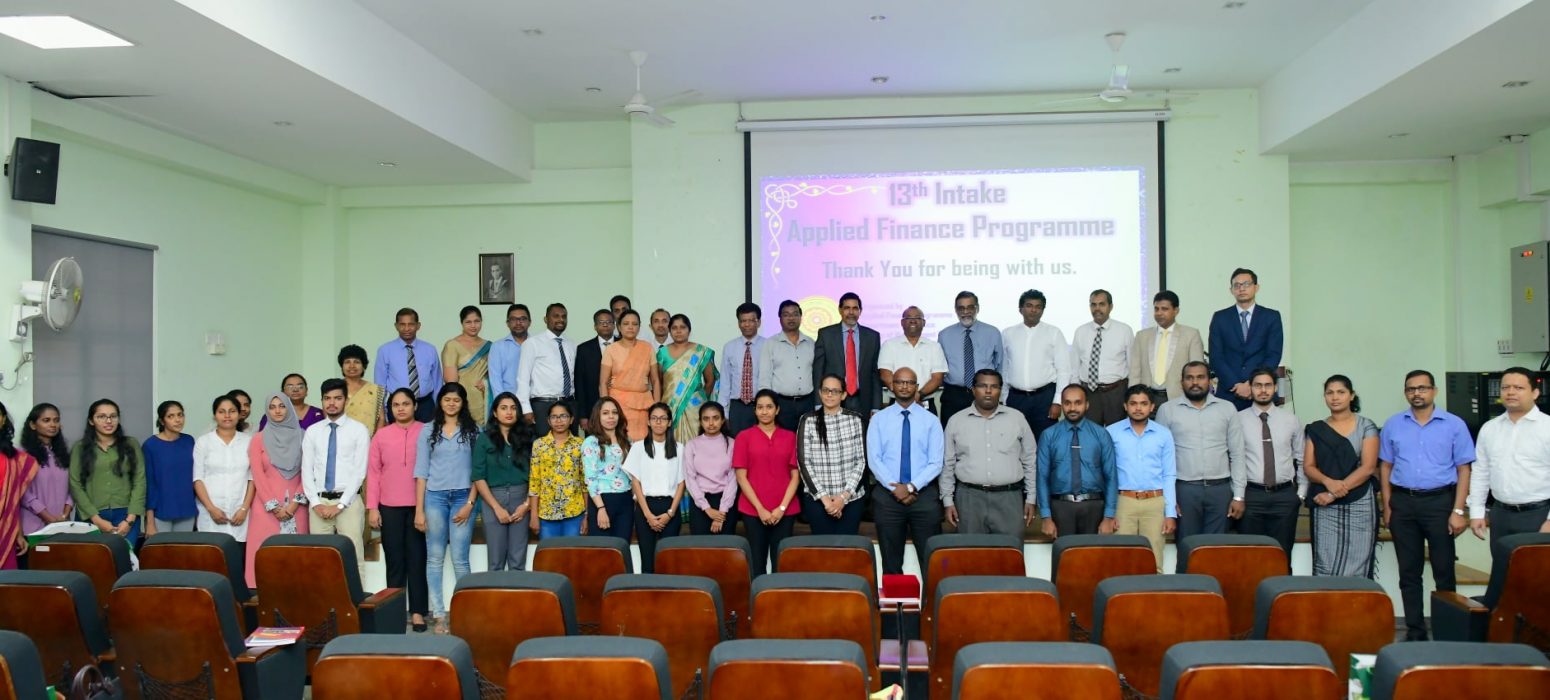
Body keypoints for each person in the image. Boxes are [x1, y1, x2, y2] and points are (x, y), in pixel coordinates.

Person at [1380, 369, 1475, 641]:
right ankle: (1415, 631)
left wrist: (1458, 510)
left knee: (1444, 571)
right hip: (1403, 503)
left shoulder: (1454, 424)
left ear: (1434, 391)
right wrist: (1388, 505)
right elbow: (1385, 467)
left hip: (1440, 503)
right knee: (1409, 573)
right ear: (1405, 393)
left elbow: (1464, 469)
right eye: (1411, 389)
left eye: (1422, 388)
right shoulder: (1393, 424)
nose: (1417, 393)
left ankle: (1448, 633)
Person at [414, 382, 478, 632]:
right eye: (447, 399)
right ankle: (439, 615)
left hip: (463, 498)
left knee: (460, 559)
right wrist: (419, 511)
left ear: (463, 403)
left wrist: (470, 503)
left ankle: (466, 614)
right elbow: (421, 473)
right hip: (435, 498)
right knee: (435, 558)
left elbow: (478, 472)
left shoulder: (473, 431)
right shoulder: (427, 430)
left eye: (456, 400)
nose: (451, 404)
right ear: (440, 401)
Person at [942, 369, 1037, 536]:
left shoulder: (1017, 418)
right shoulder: (956, 421)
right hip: (969, 499)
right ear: (973, 390)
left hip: (1009, 499)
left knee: (1010, 551)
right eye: (982, 386)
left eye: (994, 386)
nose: (988, 391)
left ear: (1000, 390)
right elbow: (947, 464)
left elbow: (1030, 460)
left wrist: (1031, 498)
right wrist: (947, 501)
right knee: (971, 551)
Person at [1155, 361, 1243, 541]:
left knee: (1217, 548)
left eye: (1200, 377)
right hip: (1184, 490)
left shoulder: (1227, 409)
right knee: (1187, 545)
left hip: (1220, 490)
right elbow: (1159, 458)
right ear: (1182, 382)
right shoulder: (1167, 410)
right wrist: (1168, 501)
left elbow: (1237, 454)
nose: (1195, 382)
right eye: (1189, 378)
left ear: (1210, 381)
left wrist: (1239, 496)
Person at [867, 368, 944, 574]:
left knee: (932, 563)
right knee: (891, 563)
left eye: (909, 382)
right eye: (900, 382)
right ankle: (894, 597)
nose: (904, 386)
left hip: (923, 496)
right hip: (888, 496)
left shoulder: (931, 420)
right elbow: (874, 460)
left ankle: (931, 598)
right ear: (892, 386)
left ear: (916, 387)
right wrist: (895, 488)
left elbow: (936, 463)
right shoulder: (878, 420)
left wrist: (910, 487)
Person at [1303, 375, 1379, 578]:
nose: (1335, 397)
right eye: (1330, 393)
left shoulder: (1366, 426)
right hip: (1324, 503)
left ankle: (1356, 598)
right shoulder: (1316, 429)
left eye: (1341, 392)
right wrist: (1328, 482)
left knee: (1358, 560)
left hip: (1360, 502)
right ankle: (1327, 598)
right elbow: (1308, 466)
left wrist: (1334, 493)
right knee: (1325, 563)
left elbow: (1368, 467)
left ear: (1351, 396)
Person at [367, 388, 429, 632]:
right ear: (390, 409)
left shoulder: (426, 431)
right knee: (394, 561)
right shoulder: (381, 436)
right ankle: (393, 612)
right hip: (389, 507)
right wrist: (373, 508)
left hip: (419, 506)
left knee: (417, 560)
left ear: (415, 406)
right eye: (396, 405)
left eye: (406, 404)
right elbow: (373, 474)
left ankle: (418, 612)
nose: (401, 408)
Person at [1468, 366, 1550, 545]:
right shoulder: (1490, 428)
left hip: (1539, 515)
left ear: (1535, 393)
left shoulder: (1547, 427)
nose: (1511, 392)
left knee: (1536, 564)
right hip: (1500, 514)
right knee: (1501, 562)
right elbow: (1481, 473)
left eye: (1519, 388)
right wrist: (1476, 512)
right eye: (1505, 387)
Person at [1230, 367, 1305, 564]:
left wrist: (1301, 494)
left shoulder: (1291, 420)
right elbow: (1233, 458)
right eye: (1258, 385)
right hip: (1251, 495)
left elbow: (1301, 457)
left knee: (1282, 556)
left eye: (1268, 385)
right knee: (1251, 558)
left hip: (1284, 497)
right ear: (1250, 388)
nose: (1263, 390)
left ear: (1275, 388)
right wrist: (1238, 495)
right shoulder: (1238, 420)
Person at [1107, 386, 1177, 571]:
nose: (1138, 408)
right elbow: (1107, 475)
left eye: (1144, 404)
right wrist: (1109, 511)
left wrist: (1170, 513)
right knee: (1121, 563)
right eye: (1133, 403)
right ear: (1125, 406)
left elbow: (1169, 474)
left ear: (1152, 407)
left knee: (1154, 563)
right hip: (1123, 502)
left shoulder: (1164, 434)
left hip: (1155, 502)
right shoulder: (1112, 433)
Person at [1036, 385, 1118, 539]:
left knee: (1092, 553)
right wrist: (1046, 516)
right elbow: (1042, 477)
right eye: (1067, 403)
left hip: (1094, 506)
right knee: (1064, 553)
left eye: (1078, 402)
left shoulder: (1101, 434)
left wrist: (1109, 516)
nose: (1072, 408)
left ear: (1087, 405)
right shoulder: (1049, 435)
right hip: (1061, 507)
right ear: (1062, 405)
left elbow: (1111, 476)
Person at [303, 379, 371, 561]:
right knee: (319, 559)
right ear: (322, 401)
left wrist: (340, 505)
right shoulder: (312, 431)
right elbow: (306, 470)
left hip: (349, 502)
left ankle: (356, 585)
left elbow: (359, 472)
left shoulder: (359, 430)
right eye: (327, 398)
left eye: (337, 398)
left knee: (353, 556)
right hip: (319, 503)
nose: (332, 403)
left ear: (346, 400)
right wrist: (315, 503)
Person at [246, 394, 310, 588]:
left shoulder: (304, 436)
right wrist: (273, 506)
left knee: (295, 557)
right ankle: (258, 599)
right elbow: (257, 475)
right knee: (263, 555)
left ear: (289, 408)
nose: (277, 411)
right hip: (265, 508)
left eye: (282, 406)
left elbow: (308, 471)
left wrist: (293, 505)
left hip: (296, 507)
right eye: (272, 407)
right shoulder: (258, 439)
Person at [734, 390, 799, 576]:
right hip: (753, 510)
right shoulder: (744, 437)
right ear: (754, 410)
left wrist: (782, 508)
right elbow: (741, 477)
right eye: (760, 407)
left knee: (782, 565)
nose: (764, 411)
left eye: (769, 407)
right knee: (757, 564)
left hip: (785, 510)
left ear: (777, 410)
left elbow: (795, 476)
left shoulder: (790, 437)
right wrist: (760, 509)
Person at [796, 375, 867, 535]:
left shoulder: (855, 420)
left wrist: (843, 498)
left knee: (848, 547)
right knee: (823, 547)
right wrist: (826, 500)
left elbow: (862, 462)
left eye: (835, 391)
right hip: (818, 501)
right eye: (826, 390)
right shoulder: (808, 420)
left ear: (843, 395)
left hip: (851, 500)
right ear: (820, 393)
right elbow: (804, 463)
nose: (829, 395)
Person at [473, 392, 534, 572]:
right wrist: (496, 508)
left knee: (517, 562)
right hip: (493, 499)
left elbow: (537, 474)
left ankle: (516, 592)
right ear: (495, 412)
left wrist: (527, 505)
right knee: (495, 562)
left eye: (513, 408)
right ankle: (495, 592)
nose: (509, 412)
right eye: (504, 408)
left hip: (521, 498)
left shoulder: (528, 438)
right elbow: (478, 476)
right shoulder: (484, 439)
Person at [1209, 269, 1284, 410]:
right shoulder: (1220, 318)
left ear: (1256, 287)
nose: (1241, 288)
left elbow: (1273, 355)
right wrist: (1236, 384)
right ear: (1231, 290)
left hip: (1261, 392)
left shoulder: (1271, 317)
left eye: (1246, 284)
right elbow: (1216, 357)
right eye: (1236, 285)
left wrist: (1252, 384)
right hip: (1229, 393)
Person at [623, 403, 685, 573]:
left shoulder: (680, 448)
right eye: (654, 418)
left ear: (669, 422)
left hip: (670, 508)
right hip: (645, 508)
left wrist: (670, 513)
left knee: (669, 562)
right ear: (648, 422)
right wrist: (648, 514)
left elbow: (681, 483)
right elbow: (635, 482)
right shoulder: (638, 447)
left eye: (663, 418)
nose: (658, 422)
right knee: (647, 560)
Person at [1002, 289, 1071, 439]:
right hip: (1016, 398)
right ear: (1020, 309)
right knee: (1015, 441)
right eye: (1029, 305)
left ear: (1043, 310)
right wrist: (1004, 398)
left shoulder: (1054, 333)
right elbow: (1005, 368)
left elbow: (1063, 370)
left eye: (1038, 307)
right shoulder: (1008, 334)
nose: (1033, 310)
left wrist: (1057, 402)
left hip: (1044, 398)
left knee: (1046, 442)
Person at [193, 395, 255, 543]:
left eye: (232, 411)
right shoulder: (204, 442)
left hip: (240, 514)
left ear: (239, 414)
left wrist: (244, 509)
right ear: (215, 415)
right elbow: (197, 478)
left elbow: (252, 478)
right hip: (210, 513)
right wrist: (211, 509)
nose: (227, 416)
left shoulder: (249, 441)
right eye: (222, 412)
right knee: (211, 553)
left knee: (237, 554)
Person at [938, 291, 1002, 428]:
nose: (966, 312)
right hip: (954, 395)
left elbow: (1000, 365)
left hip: (985, 393)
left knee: (985, 433)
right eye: (961, 308)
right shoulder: (944, 335)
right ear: (956, 310)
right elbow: (941, 366)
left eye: (970, 307)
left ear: (977, 308)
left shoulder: (993, 332)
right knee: (952, 433)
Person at [814, 293, 883, 418]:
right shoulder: (826, 334)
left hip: (863, 400)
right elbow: (818, 371)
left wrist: (876, 406)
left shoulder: (872, 336)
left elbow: (875, 374)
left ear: (860, 311)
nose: (851, 312)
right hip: (833, 398)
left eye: (855, 308)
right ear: (840, 310)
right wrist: (818, 403)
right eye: (847, 308)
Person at [1129, 291, 1205, 405]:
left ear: (1176, 310)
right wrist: (1133, 399)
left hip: (1179, 398)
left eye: (1164, 309)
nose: (1159, 313)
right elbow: (1135, 372)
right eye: (1156, 309)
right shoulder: (1142, 336)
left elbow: (1197, 370)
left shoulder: (1191, 334)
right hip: (1146, 400)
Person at [1071, 289, 1134, 427]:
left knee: (1116, 433)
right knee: (1090, 433)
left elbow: (1132, 366)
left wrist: (1131, 395)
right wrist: (1076, 392)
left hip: (1116, 392)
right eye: (1093, 305)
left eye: (1102, 304)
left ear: (1110, 307)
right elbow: (1074, 366)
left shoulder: (1124, 330)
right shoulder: (1081, 331)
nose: (1097, 308)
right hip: (1089, 392)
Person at [375, 308, 444, 423]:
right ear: (396, 326)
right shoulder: (385, 350)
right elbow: (380, 386)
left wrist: (439, 410)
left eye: (411, 324)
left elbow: (437, 383)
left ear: (418, 326)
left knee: (427, 434)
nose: (407, 328)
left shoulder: (430, 350)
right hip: (398, 405)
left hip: (425, 406)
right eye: (402, 324)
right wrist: (383, 414)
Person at [530, 401, 587, 537]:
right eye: (554, 417)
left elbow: (585, 482)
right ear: (548, 421)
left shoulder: (580, 445)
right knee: (549, 551)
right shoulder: (539, 445)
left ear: (571, 419)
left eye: (563, 416)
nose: (559, 420)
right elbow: (534, 482)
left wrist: (586, 515)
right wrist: (533, 515)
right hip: (546, 514)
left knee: (572, 551)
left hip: (574, 512)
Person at [657, 314, 717, 444]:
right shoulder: (662, 353)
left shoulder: (700, 351)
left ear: (689, 330)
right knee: (671, 444)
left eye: (682, 327)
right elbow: (659, 382)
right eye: (674, 328)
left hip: (695, 408)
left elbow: (710, 380)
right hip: (670, 405)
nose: (678, 331)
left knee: (698, 443)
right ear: (669, 331)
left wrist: (699, 399)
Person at [601, 309, 659, 441]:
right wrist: (605, 407)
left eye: (635, 324)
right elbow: (603, 382)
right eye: (626, 324)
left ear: (639, 327)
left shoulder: (647, 348)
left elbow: (655, 380)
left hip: (643, 404)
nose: (630, 327)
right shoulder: (611, 349)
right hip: (618, 404)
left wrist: (657, 407)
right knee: (621, 441)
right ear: (619, 327)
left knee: (644, 442)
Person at [517, 303, 578, 426]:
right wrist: (525, 408)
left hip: (569, 404)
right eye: (556, 316)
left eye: (564, 316)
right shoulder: (532, 343)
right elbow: (523, 378)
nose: (561, 319)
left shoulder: (572, 344)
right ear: (546, 319)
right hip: (543, 405)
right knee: (543, 438)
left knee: (570, 439)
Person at [759, 299, 816, 431]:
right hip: (782, 404)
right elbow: (764, 376)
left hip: (808, 403)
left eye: (795, 314)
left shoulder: (810, 343)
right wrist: (766, 405)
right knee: (784, 440)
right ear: (780, 318)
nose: (791, 318)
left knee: (807, 440)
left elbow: (816, 373)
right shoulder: (771, 343)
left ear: (801, 317)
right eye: (786, 314)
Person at [683, 402, 739, 536]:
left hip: (726, 502)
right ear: (700, 421)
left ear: (723, 420)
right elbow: (690, 478)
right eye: (706, 419)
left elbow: (733, 479)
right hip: (700, 503)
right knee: (701, 547)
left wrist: (722, 512)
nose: (711, 423)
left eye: (716, 418)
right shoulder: (692, 445)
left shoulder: (732, 444)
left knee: (725, 547)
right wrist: (706, 508)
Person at [19, 404, 72, 544]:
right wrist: (48, 517)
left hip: (63, 525)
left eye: (56, 420)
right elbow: (23, 493)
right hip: (33, 527)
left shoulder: (62, 454)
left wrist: (65, 514)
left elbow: (71, 488)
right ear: (33, 425)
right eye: (46, 420)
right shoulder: (23, 455)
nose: (53, 425)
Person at [879, 306, 949, 413]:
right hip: (896, 402)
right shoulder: (889, 345)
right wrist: (903, 395)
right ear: (902, 322)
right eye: (908, 318)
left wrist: (919, 394)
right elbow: (885, 375)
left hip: (925, 403)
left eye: (917, 318)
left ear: (924, 323)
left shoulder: (934, 347)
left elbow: (937, 378)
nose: (913, 320)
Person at [583, 397, 634, 540]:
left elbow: (633, 474)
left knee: (622, 547)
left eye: (614, 412)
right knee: (602, 550)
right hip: (602, 500)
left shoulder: (627, 440)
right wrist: (600, 508)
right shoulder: (591, 442)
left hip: (625, 500)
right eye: (605, 413)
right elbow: (590, 478)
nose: (611, 416)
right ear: (597, 416)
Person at [143, 401, 198, 535]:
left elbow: (195, 477)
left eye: (180, 415)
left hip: (187, 509)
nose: (177, 420)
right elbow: (149, 484)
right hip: (161, 511)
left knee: (183, 548)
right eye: (171, 416)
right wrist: (149, 522)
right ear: (162, 421)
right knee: (162, 548)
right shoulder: (151, 445)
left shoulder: (189, 441)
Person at [0, 401, 38, 569]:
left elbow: (13, 504)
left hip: (5, 533)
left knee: (7, 581)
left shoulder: (15, 459)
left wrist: (18, 534)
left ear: (3, 420)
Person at [719, 303, 765, 436]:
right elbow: (725, 381)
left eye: (751, 320)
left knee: (760, 444)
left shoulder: (768, 345)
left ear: (759, 322)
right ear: (738, 323)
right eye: (743, 321)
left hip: (761, 405)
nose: (747, 324)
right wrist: (723, 412)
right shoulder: (729, 347)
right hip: (737, 407)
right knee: (737, 443)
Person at [442, 306, 492, 424]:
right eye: (468, 322)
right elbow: (451, 382)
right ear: (462, 323)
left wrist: (486, 383)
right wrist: (455, 401)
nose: (473, 325)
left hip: (483, 399)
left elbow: (495, 375)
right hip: (461, 399)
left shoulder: (489, 346)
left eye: (477, 321)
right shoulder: (452, 345)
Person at [574, 309, 614, 431]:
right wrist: (583, 415)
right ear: (595, 326)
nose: (605, 325)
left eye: (609, 322)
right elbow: (579, 384)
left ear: (614, 325)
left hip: (621, 406)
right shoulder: (583, 349)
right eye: (601, 322)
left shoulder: (623, 345)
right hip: (593, 409)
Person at [487, 304, 531, 402]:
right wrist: (503, 403)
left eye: (522, 319)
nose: (518, 322)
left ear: (529, 322)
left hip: (534, 402)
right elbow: (495, 380)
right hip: (508, 403)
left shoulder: (537, 345)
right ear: (507, 323)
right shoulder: (497, 347)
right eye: (513, 319)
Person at [339, 345, 385, 436]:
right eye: (347, 362)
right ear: (342, 366)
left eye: (357, 362)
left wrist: (375, 441)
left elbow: (381, 418)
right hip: (340, 439)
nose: (352, 366)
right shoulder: (334, 388)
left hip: (367, 440)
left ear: (364, 366)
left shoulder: (375, 390)